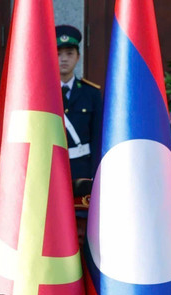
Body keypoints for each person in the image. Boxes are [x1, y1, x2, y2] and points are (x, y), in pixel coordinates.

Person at [56, 24, 102, 189]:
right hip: (51, 171)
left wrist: (96, 174)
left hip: (82, 173)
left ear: (78, 56)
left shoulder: (92, 93)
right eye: (58, 54)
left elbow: (97, 137)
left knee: (81, 215)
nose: (64, 59)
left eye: (70, 53)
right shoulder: (42, 93)